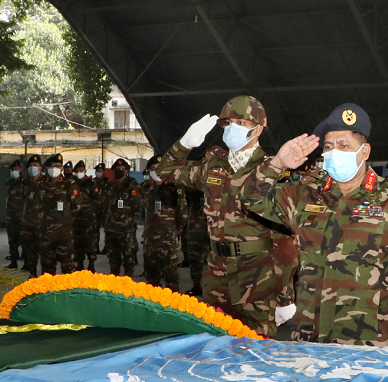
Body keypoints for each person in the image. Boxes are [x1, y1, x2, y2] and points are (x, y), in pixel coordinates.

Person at [240, 103, 388, 346]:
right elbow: (250, 198)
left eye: (344, 145)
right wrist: (277, 164)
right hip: (309, 334)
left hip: (366, 337)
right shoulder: (305, 196)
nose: (334, 152)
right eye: (328, 147)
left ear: (365, 151)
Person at [155, 95, 294, 337]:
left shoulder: (273, 169)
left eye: (239, 123)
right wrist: (185, 144)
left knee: (256, 352)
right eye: (227, 124)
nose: (231, 130)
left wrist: (285, 296)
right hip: (216, 271)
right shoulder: (213, 166)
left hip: (257, 275)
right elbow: (166, 171)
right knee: (214, 348)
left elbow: (284, 240)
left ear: (258, 129)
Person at [141, 156, 186, 291]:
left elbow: (183, 213)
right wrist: (156, 186)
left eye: (159, 169)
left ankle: (172, 306)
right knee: (151, 274)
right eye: (153, 169)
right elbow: (143, 203)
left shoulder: (175, 188)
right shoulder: (145, 187)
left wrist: (175, 232)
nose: (156, 172)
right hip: (149, 238)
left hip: (168, 238)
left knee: (170, 274)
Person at [37, 155, 77, 275]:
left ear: (62, 169)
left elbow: (77, 206)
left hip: (64, 235)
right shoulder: (41, 185)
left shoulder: (69, 184)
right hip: (46, 235)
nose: (54, 169)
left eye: (58, 166)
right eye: (52, 166)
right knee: (47, 271)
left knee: (68, 269)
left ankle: (69, 294)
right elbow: (34, 206)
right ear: (47, 168)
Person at [104, 158, 141, 276]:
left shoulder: (131, 184)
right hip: (111, 227)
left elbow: (137, 204)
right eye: (116, 169)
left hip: (127, 227)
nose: (119, 171)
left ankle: (128, 279)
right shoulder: (109, 185)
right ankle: (114, 278)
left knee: (128, 256)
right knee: (113, 256)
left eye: (121, 169)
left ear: (127, 171)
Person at [71, 160, 99, 271]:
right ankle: (79, 263)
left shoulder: (91, 184)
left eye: (81, 170)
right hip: (76, 218)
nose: (79, 172)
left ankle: (91, 263)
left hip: (89, 218)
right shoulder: (72, 183)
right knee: (77, 241)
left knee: (90, 241)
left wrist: (94, 212)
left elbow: (98, 200)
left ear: (85, 171)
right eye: (77, 171)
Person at [20, 155, 46, 276]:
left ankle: (45, 277)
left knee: (45, 252)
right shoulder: (24, 182)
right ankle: (32, 274)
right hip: (28, 223)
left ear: (40, 168)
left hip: (43, 223)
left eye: (35, 166)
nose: (33, 168)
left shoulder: (47, 182)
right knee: (30, 251)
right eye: (31, 166)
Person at [5, 159, 27, 269]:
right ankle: (13, 262)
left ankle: (27, 264)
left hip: (22, 217)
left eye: (16, 169)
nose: (14, 171)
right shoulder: (9, 183)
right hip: (11, 217)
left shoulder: (25, 183)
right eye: (13, 169)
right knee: (12, 241)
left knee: (24, 241)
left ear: (21, 170)